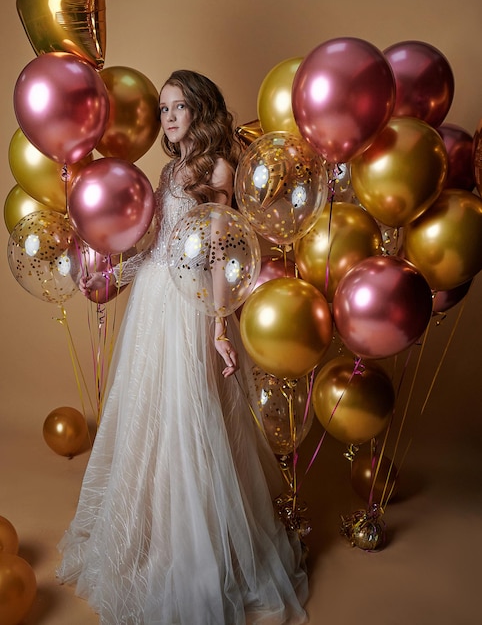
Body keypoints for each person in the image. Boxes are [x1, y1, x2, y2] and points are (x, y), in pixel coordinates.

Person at [57, 69, 309, 624]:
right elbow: (156, 237)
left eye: (177, 108)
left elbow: (219, 247)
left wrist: (220, 321)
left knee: (194, 412)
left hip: (192, 303)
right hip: (153, 298)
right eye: (164, 109)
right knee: (149, 410)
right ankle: (149, 531)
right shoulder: (170, 169)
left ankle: (199, 545)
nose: (168, 118)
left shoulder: (219, 167)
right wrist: (119, 267)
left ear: (200, 109)